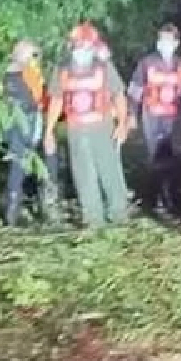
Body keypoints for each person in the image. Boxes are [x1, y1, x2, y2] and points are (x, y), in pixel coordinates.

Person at [44, 22, 133, 228]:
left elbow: (118, 94)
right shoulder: (62, 70)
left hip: (102, 127)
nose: (82, 48)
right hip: (76, 130)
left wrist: (122, 123)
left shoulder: (104, 67)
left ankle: (118, 213)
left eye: (86, 44)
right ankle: (93, 219)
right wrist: (49, 131)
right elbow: (56, 100)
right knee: (83, 174)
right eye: (78, 44)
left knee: (109, 170)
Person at [127, 24, 181, 213]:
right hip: (151, 115)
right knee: (154, 155)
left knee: (168, 157)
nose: (164, 44)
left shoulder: (180, 66)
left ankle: (167, 194)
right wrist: (131, 114)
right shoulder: (147, 63)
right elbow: (135, 89)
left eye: (168, 41)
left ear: (176, 43)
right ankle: (154, 197)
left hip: (170, 117)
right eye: (161, 40)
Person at [0, 40, 56, 226]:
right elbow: (40, 99)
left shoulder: (5, 73)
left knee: (18, 162)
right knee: (32, 159)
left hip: (12, 121)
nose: (36, 59)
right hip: (26, 120)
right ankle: (42, 205)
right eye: (33, 55)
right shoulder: (27, 73)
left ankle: (13, 211)